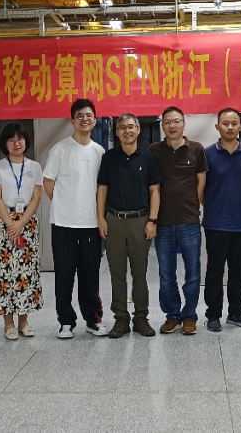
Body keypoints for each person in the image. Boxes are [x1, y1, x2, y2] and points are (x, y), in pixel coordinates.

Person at [44, 99, 109, 339]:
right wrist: (64, 203)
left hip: (91, 224)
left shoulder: (99, 152)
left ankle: (93, 320)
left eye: (88, 115)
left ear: (95, 120)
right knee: (64, 275)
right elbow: (48, 182)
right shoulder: (60, 149)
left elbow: (103, 188)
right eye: (79, 115)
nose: (84, 119)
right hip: (63, 224)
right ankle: (65, 322)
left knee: (90, 275)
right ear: (72, 120)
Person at [97, 114, 162, 338]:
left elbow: (155, 191)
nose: (127, 131)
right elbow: (102, 189)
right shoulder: (109, 158)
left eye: (131, 127)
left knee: (139, 272)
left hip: (140, 220)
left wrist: (152, 220)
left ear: (138, 129)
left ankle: (141, 317)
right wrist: (101, 218)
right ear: (116, 132)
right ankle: (121, 318)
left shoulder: (149, 157)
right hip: (114, 220)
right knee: (117, 272)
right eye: (122, 127)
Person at [149, 107, 208, 336]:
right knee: (166, 274)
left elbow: (201, 182)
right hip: (163, 223)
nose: (172, 126)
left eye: (176, 121)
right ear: (162, 125)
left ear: (184, 124)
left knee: (192, 273)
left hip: (189, 221)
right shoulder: (154, 151)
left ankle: (190, 316)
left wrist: (192, 205)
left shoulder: (196, 149)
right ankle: (172, 315)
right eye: (167, 122)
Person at [203, 108, 241, 332]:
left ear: (240, 126)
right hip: (215, 222)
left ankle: (236, 312)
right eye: (225, 123)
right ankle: (213, 314)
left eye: (234, 123)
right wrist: (214, 206)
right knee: (215, 270)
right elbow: (201, 188)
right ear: (217, 127)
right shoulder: (208, 154)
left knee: (239, 270)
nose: (229, 127)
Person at [0, 123, 44, 340]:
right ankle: (8, 323)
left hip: (27, 224)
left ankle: (24, 321)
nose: (16, 143)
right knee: (5, 272)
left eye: (20, 139)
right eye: (11, 139)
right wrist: (11, 224)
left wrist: (20, 224)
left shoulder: (34, 167)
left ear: (26, 142)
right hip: (4, 223)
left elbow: (36, 198)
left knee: (25, 272)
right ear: (5, 144)